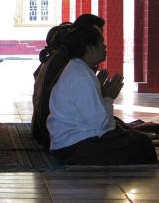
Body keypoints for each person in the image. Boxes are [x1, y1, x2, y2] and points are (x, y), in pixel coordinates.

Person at [47, 24, 156, 165]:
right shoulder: (81, 76)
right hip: (74, 147)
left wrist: (101, 94)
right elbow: (101, 126)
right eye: (101, 42)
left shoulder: (79, 69)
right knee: (142, 144)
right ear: (90, 48)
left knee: (128, 133)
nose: (105, 47)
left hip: (70, 142)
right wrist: (109, 97)